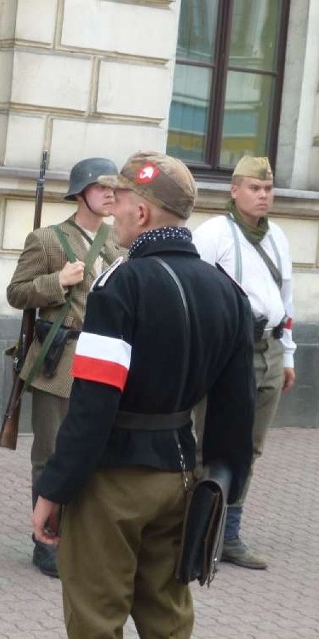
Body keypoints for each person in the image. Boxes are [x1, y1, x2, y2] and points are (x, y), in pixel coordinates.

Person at [31, 151, 255, 638]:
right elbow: (238, 411)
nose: (111, 210)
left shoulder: (120, 284)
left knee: (96, 617)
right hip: (181, 475)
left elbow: (92, 402)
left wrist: (55, 487)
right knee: (167, 618)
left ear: (143, 212)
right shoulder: (227, 292)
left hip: (113, 477)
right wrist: (222, 489)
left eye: (121, 199)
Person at [6, 157, 123, 577]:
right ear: (80, 193)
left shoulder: (120, 242)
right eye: (103, 187)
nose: (111, 194)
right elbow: (16, 293)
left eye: (115, 188)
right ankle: (47, 539)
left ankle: (83, 537)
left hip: (105, 360)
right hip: (59, 361)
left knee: (98, 454)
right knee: (51, 454)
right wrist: (59, 281)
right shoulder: (48, 239)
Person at [191, 156, 296, 570]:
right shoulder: (214, 233)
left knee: (249, 449)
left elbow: (285, 303)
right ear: (234, 191)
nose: (263, 195)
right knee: (212, 444)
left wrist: (287, 354)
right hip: (227, 353)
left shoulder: (279, 238)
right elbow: (196, 292)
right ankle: (199, 533)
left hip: (268, 350)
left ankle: (229, 534)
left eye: (268, 189)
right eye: (255, 188)